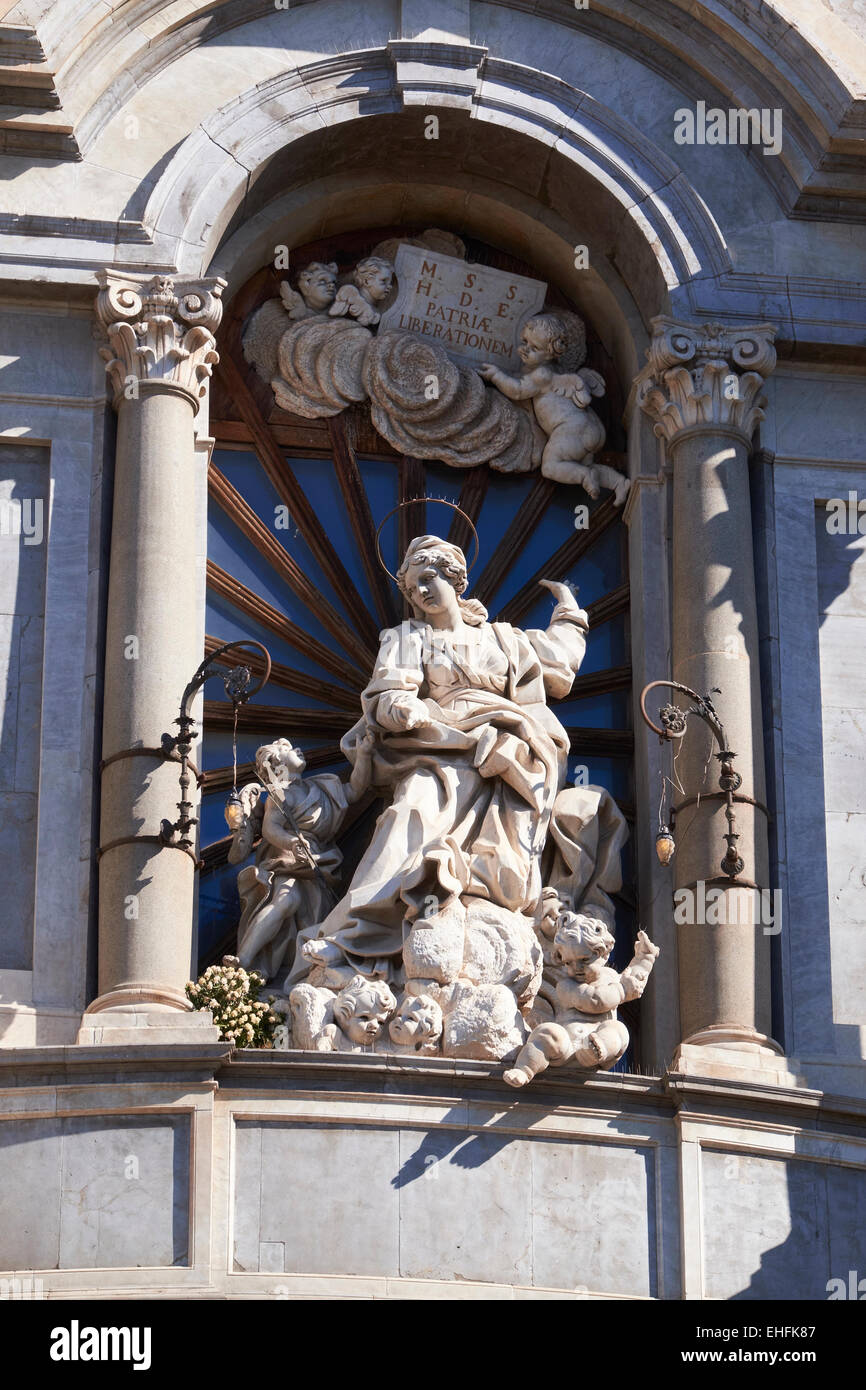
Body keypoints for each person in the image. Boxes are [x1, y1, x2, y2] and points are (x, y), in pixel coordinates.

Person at [292, 533, 589, 984]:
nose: (422, 593)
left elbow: (560, 663)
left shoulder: (505, 640)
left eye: (429, 579)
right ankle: (356, 929)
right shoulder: (408, 637)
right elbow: (387, 690)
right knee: (409, 811)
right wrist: (399, 707)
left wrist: (568, 609)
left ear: (455, 577)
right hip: (437, 749)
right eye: (413, 589)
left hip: (505, 754)